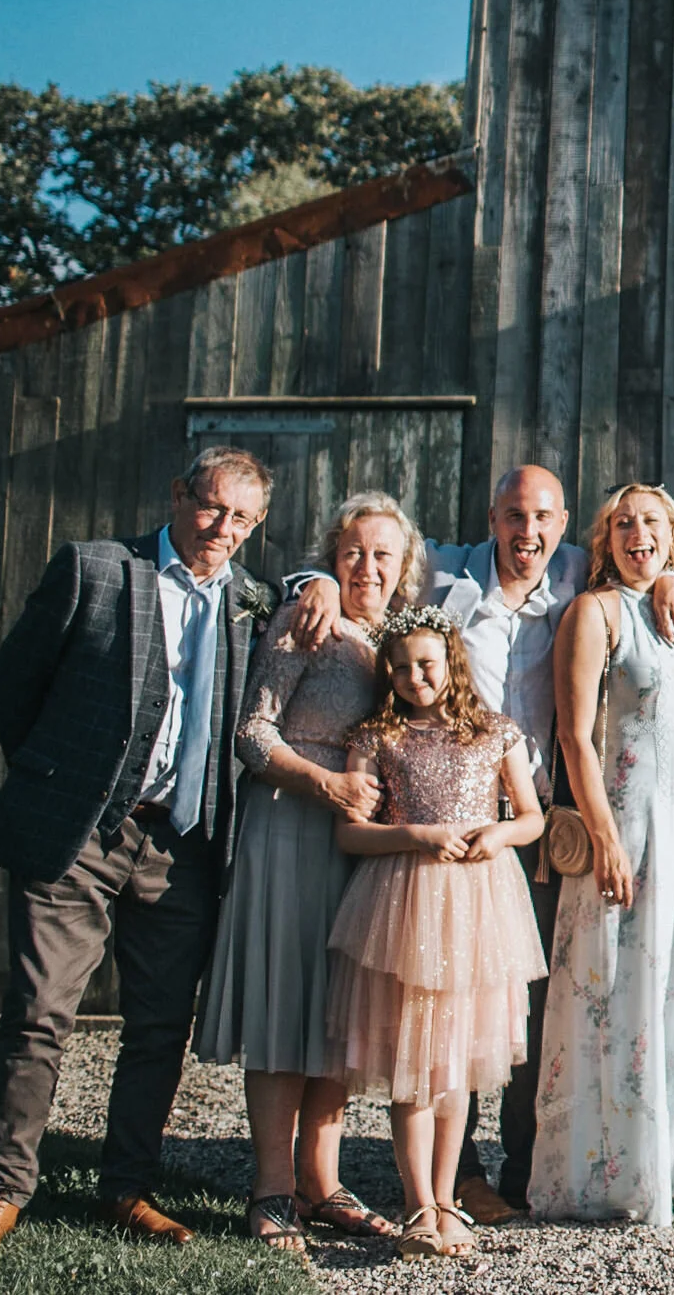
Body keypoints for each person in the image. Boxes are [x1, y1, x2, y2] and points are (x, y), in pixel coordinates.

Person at [287, 463, 674, 1222]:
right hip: (433, 826)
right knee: (442, 1000)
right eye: (513, 516)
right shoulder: (444, 568)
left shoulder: (576, 568)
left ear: (565, 524)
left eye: (543, 518)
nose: (528, 533)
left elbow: (649, 562)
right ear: (491, 517)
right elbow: (368, 555)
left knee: (525, 1004)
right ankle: (450, 1181)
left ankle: (522, 1164)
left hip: (533, 821)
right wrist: (310, 578)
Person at [0, 449, 275, 1256]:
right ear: (177, 495)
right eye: (210, 507)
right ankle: (0, 1190)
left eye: (241, 518)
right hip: (81, 831)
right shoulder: (97, 570)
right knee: (38, 1014)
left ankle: (127, 1186)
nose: (220, 527)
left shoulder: (253, 601)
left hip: (184, 843)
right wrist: (61, 780)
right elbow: (12, 683)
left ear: (255, 526)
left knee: (161, 1026)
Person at [195, 491, 422, 1255]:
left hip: (361, 843)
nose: (367, 566)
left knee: (340, 1011)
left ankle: (322, 1183)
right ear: (331, 557)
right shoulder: (307, 620)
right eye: (353, 552)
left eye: (382, 555)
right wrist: (324, 784)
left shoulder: (396, 638)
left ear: (403, 568)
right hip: (292, 827)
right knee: (283, 1007)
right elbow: (252, 733)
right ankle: (271, 1189)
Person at [529, 484, 674, 1224]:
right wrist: (603, 837)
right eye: (622, 523)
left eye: (650, 522)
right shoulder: (594, 612)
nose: (636, 533)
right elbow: (573, 736)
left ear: (673, 535)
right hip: (632, 817)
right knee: (621, 983)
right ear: (605, 538)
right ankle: (612, 1167)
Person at [327, 610, 548, 1259]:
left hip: (479, 906)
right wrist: (416, 836)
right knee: (415, 1064)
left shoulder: (493, 732)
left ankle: (449, 1197)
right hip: (406, 904)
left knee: (455, 1064)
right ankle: (417, 1203)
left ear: (451, 661)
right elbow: (349, 833)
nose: (413, 677)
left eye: (425, 664)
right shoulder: (377, 737)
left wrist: (500, 834)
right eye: (399, 667)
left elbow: (531, 817)